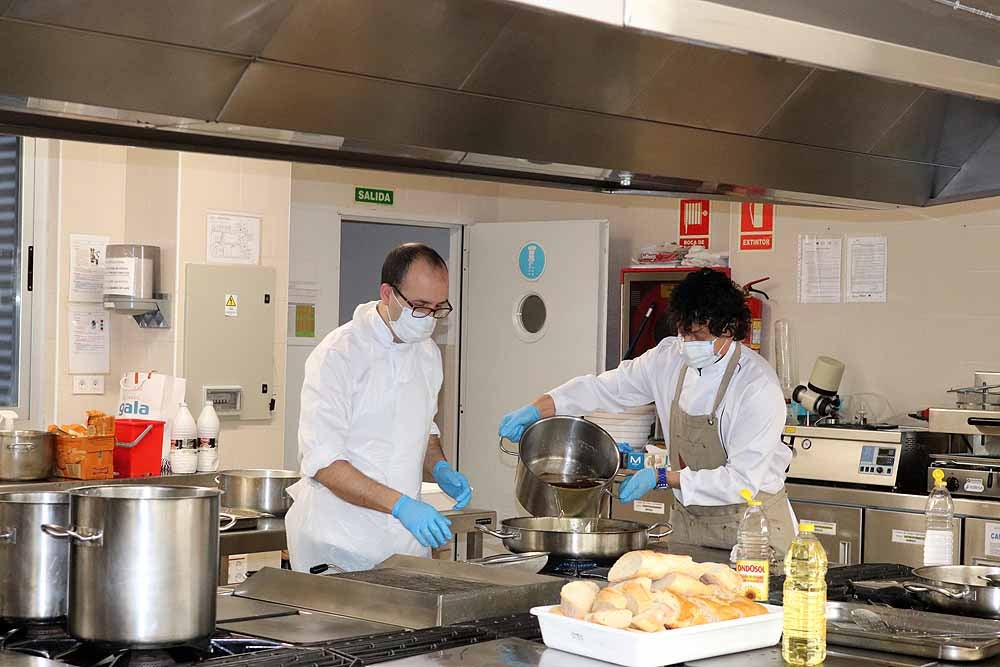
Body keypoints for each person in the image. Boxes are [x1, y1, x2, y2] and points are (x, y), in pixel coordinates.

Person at [498, 269, 796, 556]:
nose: (688, 344)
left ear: (728, 330)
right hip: (692, 526)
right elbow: (604, 388)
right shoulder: (668, 360)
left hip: (755, 532)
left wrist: (663, 477)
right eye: (683, 333)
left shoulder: (756, 387)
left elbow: (740, 482)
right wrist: (539, 408)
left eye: (698, 335)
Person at [285, 243, 472, 572]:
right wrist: (401, 506)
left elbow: (423, 429)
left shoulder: (427, 355)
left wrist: (440, 467)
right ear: (388, 294)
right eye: (419, 306)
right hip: (339, 543)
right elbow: (324, 463)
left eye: (438, 308)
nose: (428, 318)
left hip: (404, 547)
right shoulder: (339, 354)